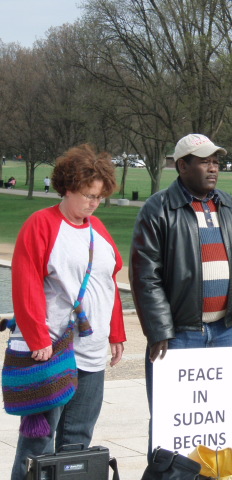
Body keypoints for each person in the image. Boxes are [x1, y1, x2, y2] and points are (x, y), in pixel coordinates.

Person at [129, 133, 232, 460]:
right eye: (204, 161)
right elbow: (146, 275)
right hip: (178, 336)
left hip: (223, 332)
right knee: (171, 422)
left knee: (215, 420)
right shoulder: (158, 209)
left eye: (215, 161)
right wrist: (158, 329)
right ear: (182, 165)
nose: (213, 168)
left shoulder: (231, 207)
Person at [8, 144, 126, 480]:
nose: (93, 203)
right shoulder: (41, 224)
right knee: (38, 442)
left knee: (78, 441)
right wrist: (36, 336)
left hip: (91, 352)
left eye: (99, 197)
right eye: (88, 195)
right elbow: (25, 281)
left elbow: (108, 283)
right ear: (68, 188)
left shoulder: (97, 229)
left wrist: (116, 332)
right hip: (52, 350)